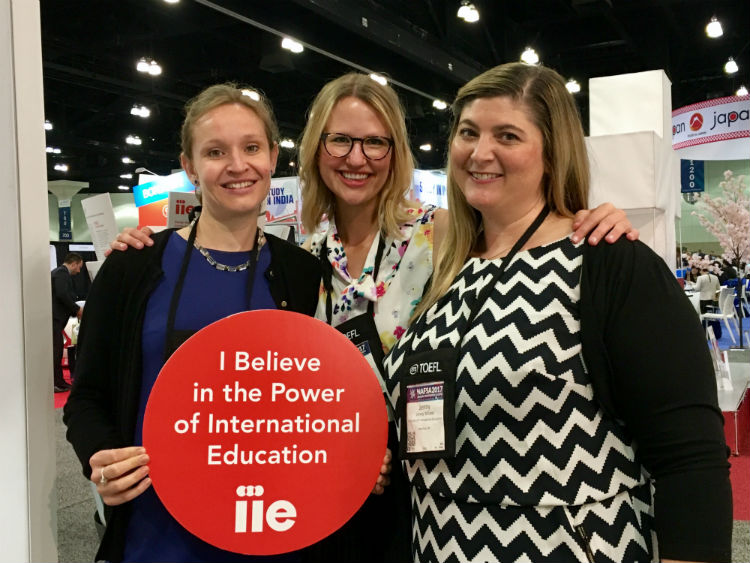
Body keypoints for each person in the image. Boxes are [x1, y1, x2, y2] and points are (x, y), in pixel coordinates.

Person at [111, 72, 639, 563]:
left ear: (396, 152)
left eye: (375, 142)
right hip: (320, 485)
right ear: (317, 148)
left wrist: (593, 217)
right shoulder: (293, 252)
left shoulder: (450, 237)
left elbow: (530, 227)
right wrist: (145, 248)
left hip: (428, 486)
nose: (356, 158)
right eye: (339, 140)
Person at [383, 63, 731, 563]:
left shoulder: (608, 261)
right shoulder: (447, 267)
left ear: (552, 151)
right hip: (438, 541)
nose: (480, 153)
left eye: (507, 135)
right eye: (468, 132)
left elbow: (690, 460)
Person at [63, 84, 326, 563]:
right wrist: (98, 455)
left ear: (272, 156)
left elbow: (320, 400)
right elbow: (87, 396)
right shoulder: (134, 266)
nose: (237, 165)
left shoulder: (302, 275)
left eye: (251, 147)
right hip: (155, 533)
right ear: (189, 166)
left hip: (271, 527)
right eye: (215, 151)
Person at [51, 252, 83, 392]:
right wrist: (77, 310)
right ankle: (57, 383)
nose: (79, 271)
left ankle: (58, 382)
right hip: (54, 319)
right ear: (74, 263)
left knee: (57, 351)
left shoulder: (58, 273)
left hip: (56, 319)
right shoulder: (61, 273)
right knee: (56, 352)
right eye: (79, 267)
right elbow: (62, 294)